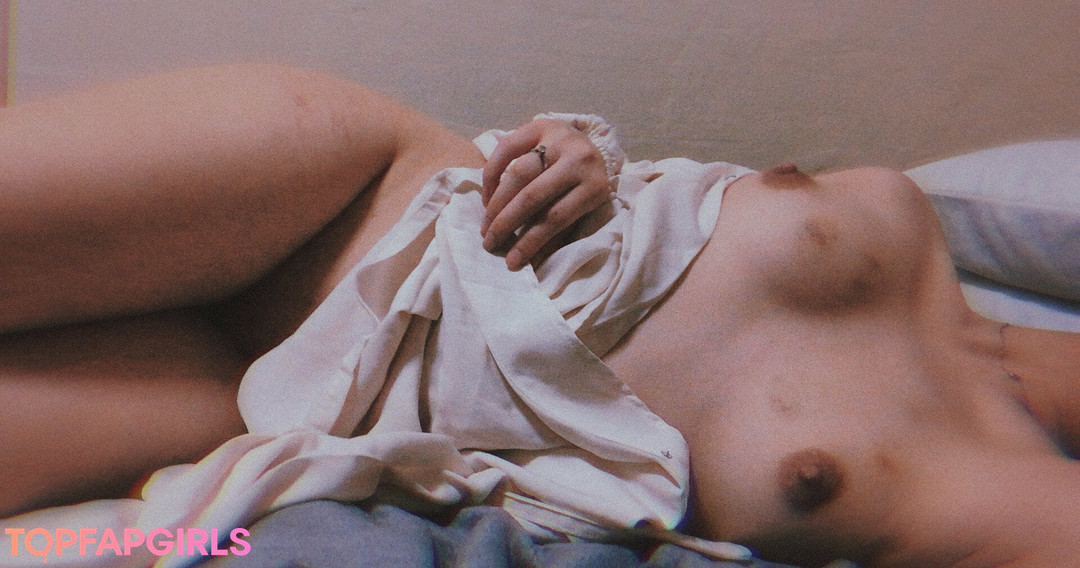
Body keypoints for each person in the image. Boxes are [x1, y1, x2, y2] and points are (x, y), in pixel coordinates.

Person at [0, 64, 1077, 568]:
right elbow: (678, 211)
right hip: (367, 198)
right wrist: (581, 149)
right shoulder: (950, 257)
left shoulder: (1015, 508)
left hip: (286, 408)